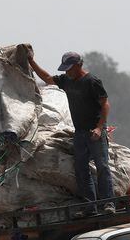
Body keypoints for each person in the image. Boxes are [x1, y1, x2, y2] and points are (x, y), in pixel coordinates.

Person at [28, 49, 115, 216]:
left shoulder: (92, 81)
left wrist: (99, 128)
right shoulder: (67, 81)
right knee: (81, 169)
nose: (67, 72)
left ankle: (108, 203)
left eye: (69, 68)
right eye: (65, 69)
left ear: (78, 65)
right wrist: (32, 62)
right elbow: (47, 78)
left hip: (94, 132)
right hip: (80, 133)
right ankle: (90, 206)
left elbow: (105, 104)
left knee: (102, 167)